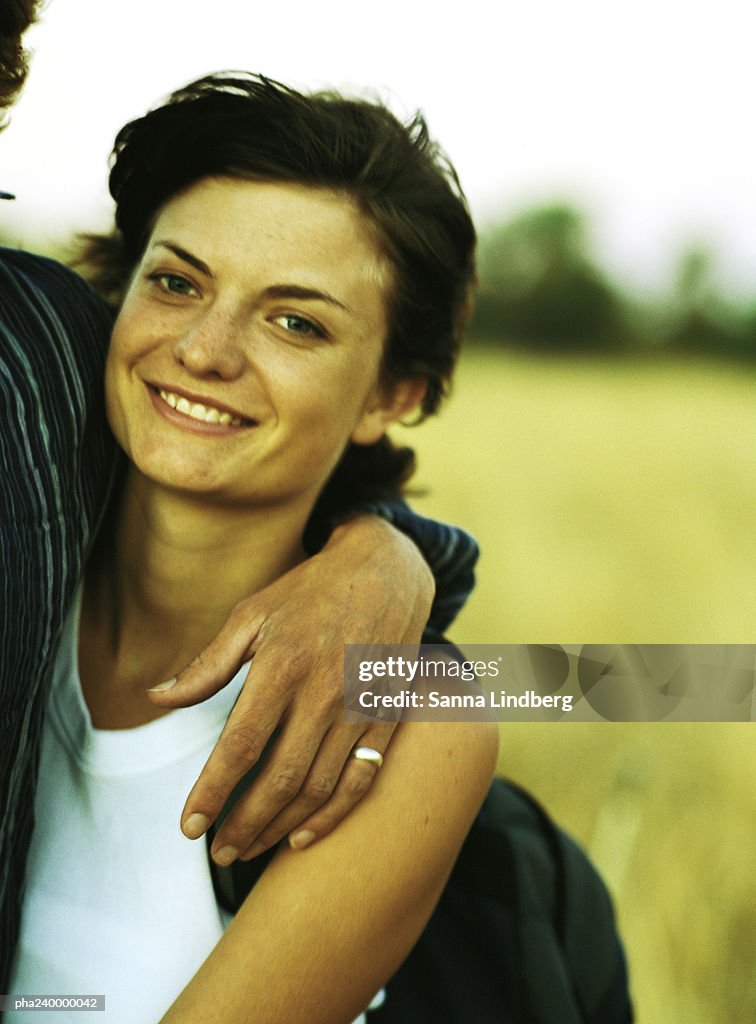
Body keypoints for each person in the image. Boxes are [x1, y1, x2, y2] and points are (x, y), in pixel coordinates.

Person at [0, 2, 480, 993]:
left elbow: (635, 684)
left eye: (295, 322)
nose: (207, 351)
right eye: (176, 284)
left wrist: (394, 554)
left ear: (392, 395)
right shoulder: (24, 576)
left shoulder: (418, 716)